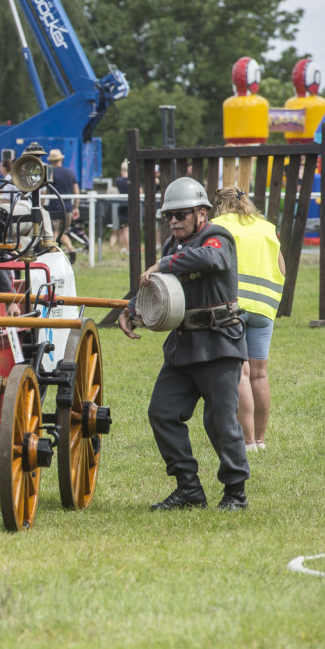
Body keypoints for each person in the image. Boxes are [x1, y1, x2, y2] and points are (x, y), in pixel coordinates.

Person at [118, 177, 250, 511]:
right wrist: (133, 309)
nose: (174, 221)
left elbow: (207, 259)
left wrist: (163, 264)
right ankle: (189, 489)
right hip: (183, 346)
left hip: (219, 344)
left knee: (221, 422)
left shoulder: (217, 237)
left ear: (202, 213)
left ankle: (236, 493)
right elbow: (160, 286)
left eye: (181, 214)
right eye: (169, 217)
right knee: (162, 413)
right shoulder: (171, 248)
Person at [213, 186, 286, 452]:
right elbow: (281, 268)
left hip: (235, 305)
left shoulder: (218, 225)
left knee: (241, 372)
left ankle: (246, 441)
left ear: (221, 205)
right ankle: (261, 440)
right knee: (259, 374)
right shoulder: (266, 227)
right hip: (265, 308)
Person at [47, 148, 80, 254]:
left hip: (54, 207)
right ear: (61, 159)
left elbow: (43, 191)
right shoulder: (70, 173)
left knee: (54, 232)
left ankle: (54, 253)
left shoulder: (49, 173)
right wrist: (75, 207)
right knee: (64, 232)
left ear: (50, 161)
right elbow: (76, 191)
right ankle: (71, 249)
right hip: (68, 208)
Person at [111, 159, 130, 251]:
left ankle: (122, 247)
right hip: (130, 205)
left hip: (121, 206)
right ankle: (128, 248)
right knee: (126, 229)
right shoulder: (132, 180)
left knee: (123, 228)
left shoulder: (118, 181)